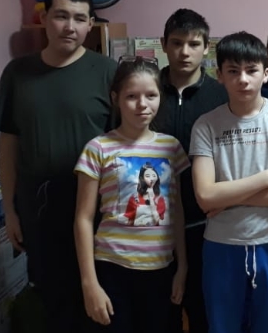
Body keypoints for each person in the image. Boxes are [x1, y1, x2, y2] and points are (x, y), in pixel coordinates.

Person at [0, 0, 117, 333]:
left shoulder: (108, 72)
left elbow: (123, 143)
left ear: (90, 24)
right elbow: (8, 145)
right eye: (61, 16)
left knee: (101, 300)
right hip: (39, 207)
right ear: (44, 18)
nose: (70, 27)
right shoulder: (17, 74)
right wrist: (10, 210)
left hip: (98, 207)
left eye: (79, 18)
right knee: (54, 300)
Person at [189, 31, 268, 333]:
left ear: (265, 74)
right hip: (222, 244)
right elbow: (205, 196)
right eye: (233, 71)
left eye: (251, 70)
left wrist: (227, 199)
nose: (243, 79)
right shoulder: (206, 125)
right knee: (223, 327)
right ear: (219, 75)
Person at [74, 56, 189, 333]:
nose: (142, 104)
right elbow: (83, 219)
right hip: (112, 268)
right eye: (131, 96)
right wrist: (90, 283)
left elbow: (177, 211)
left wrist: (182, 267)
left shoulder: (171, 147)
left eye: (151, 95)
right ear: (116, 98)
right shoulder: (98, 148)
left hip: (161, 270)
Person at [152, 8, 228, 333]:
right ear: (163, 44)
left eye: (194, 44)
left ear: (206, 47)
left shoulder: (221, 95)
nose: (185, 52)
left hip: (207, 224)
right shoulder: (147, 91)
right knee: (160, 315)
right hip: (153, 225)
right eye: (177, 43)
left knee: (204, 313)